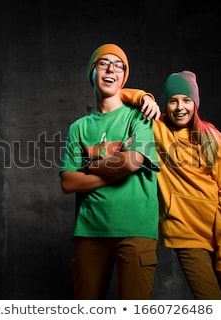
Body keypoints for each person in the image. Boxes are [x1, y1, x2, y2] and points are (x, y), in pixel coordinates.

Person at [121, 70, 221, 299]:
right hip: (187, 234)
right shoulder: (157, 130)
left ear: (195, 104)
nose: (180, 107)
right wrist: (144, 97)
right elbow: (116, 95)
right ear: (165, 104)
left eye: (186, 100)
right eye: (173, 101)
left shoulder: (214, 139)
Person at [59, 43, 160, 300]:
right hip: (90, 230)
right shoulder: (78, 128)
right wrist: (115, 161)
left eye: (118, 65)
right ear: (92, 72)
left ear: (123, 77)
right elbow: (68, 182)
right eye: (104, 63)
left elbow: (132, 162)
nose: (111, 68)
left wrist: (90, 163)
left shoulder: (140, 116)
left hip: (136, 228)